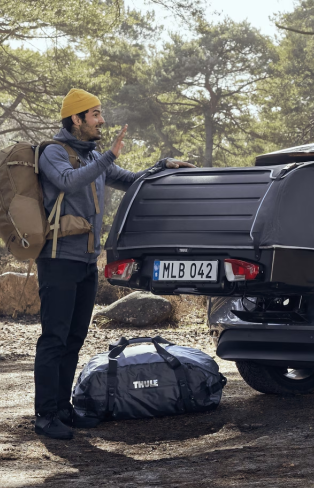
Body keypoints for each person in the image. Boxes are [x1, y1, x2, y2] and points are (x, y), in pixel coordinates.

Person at [34, 88, 194, 440]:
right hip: (58, 261)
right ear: (76, 119)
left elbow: (131, 180)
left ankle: (64, 410)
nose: (101, 120)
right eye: (95, 114)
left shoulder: (93, 158)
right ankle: (45, 416)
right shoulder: (53, 153)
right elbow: (66, 181)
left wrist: (162, 167)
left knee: (74, 338)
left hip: (86, 262)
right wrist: (108, 157)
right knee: (54, 338)